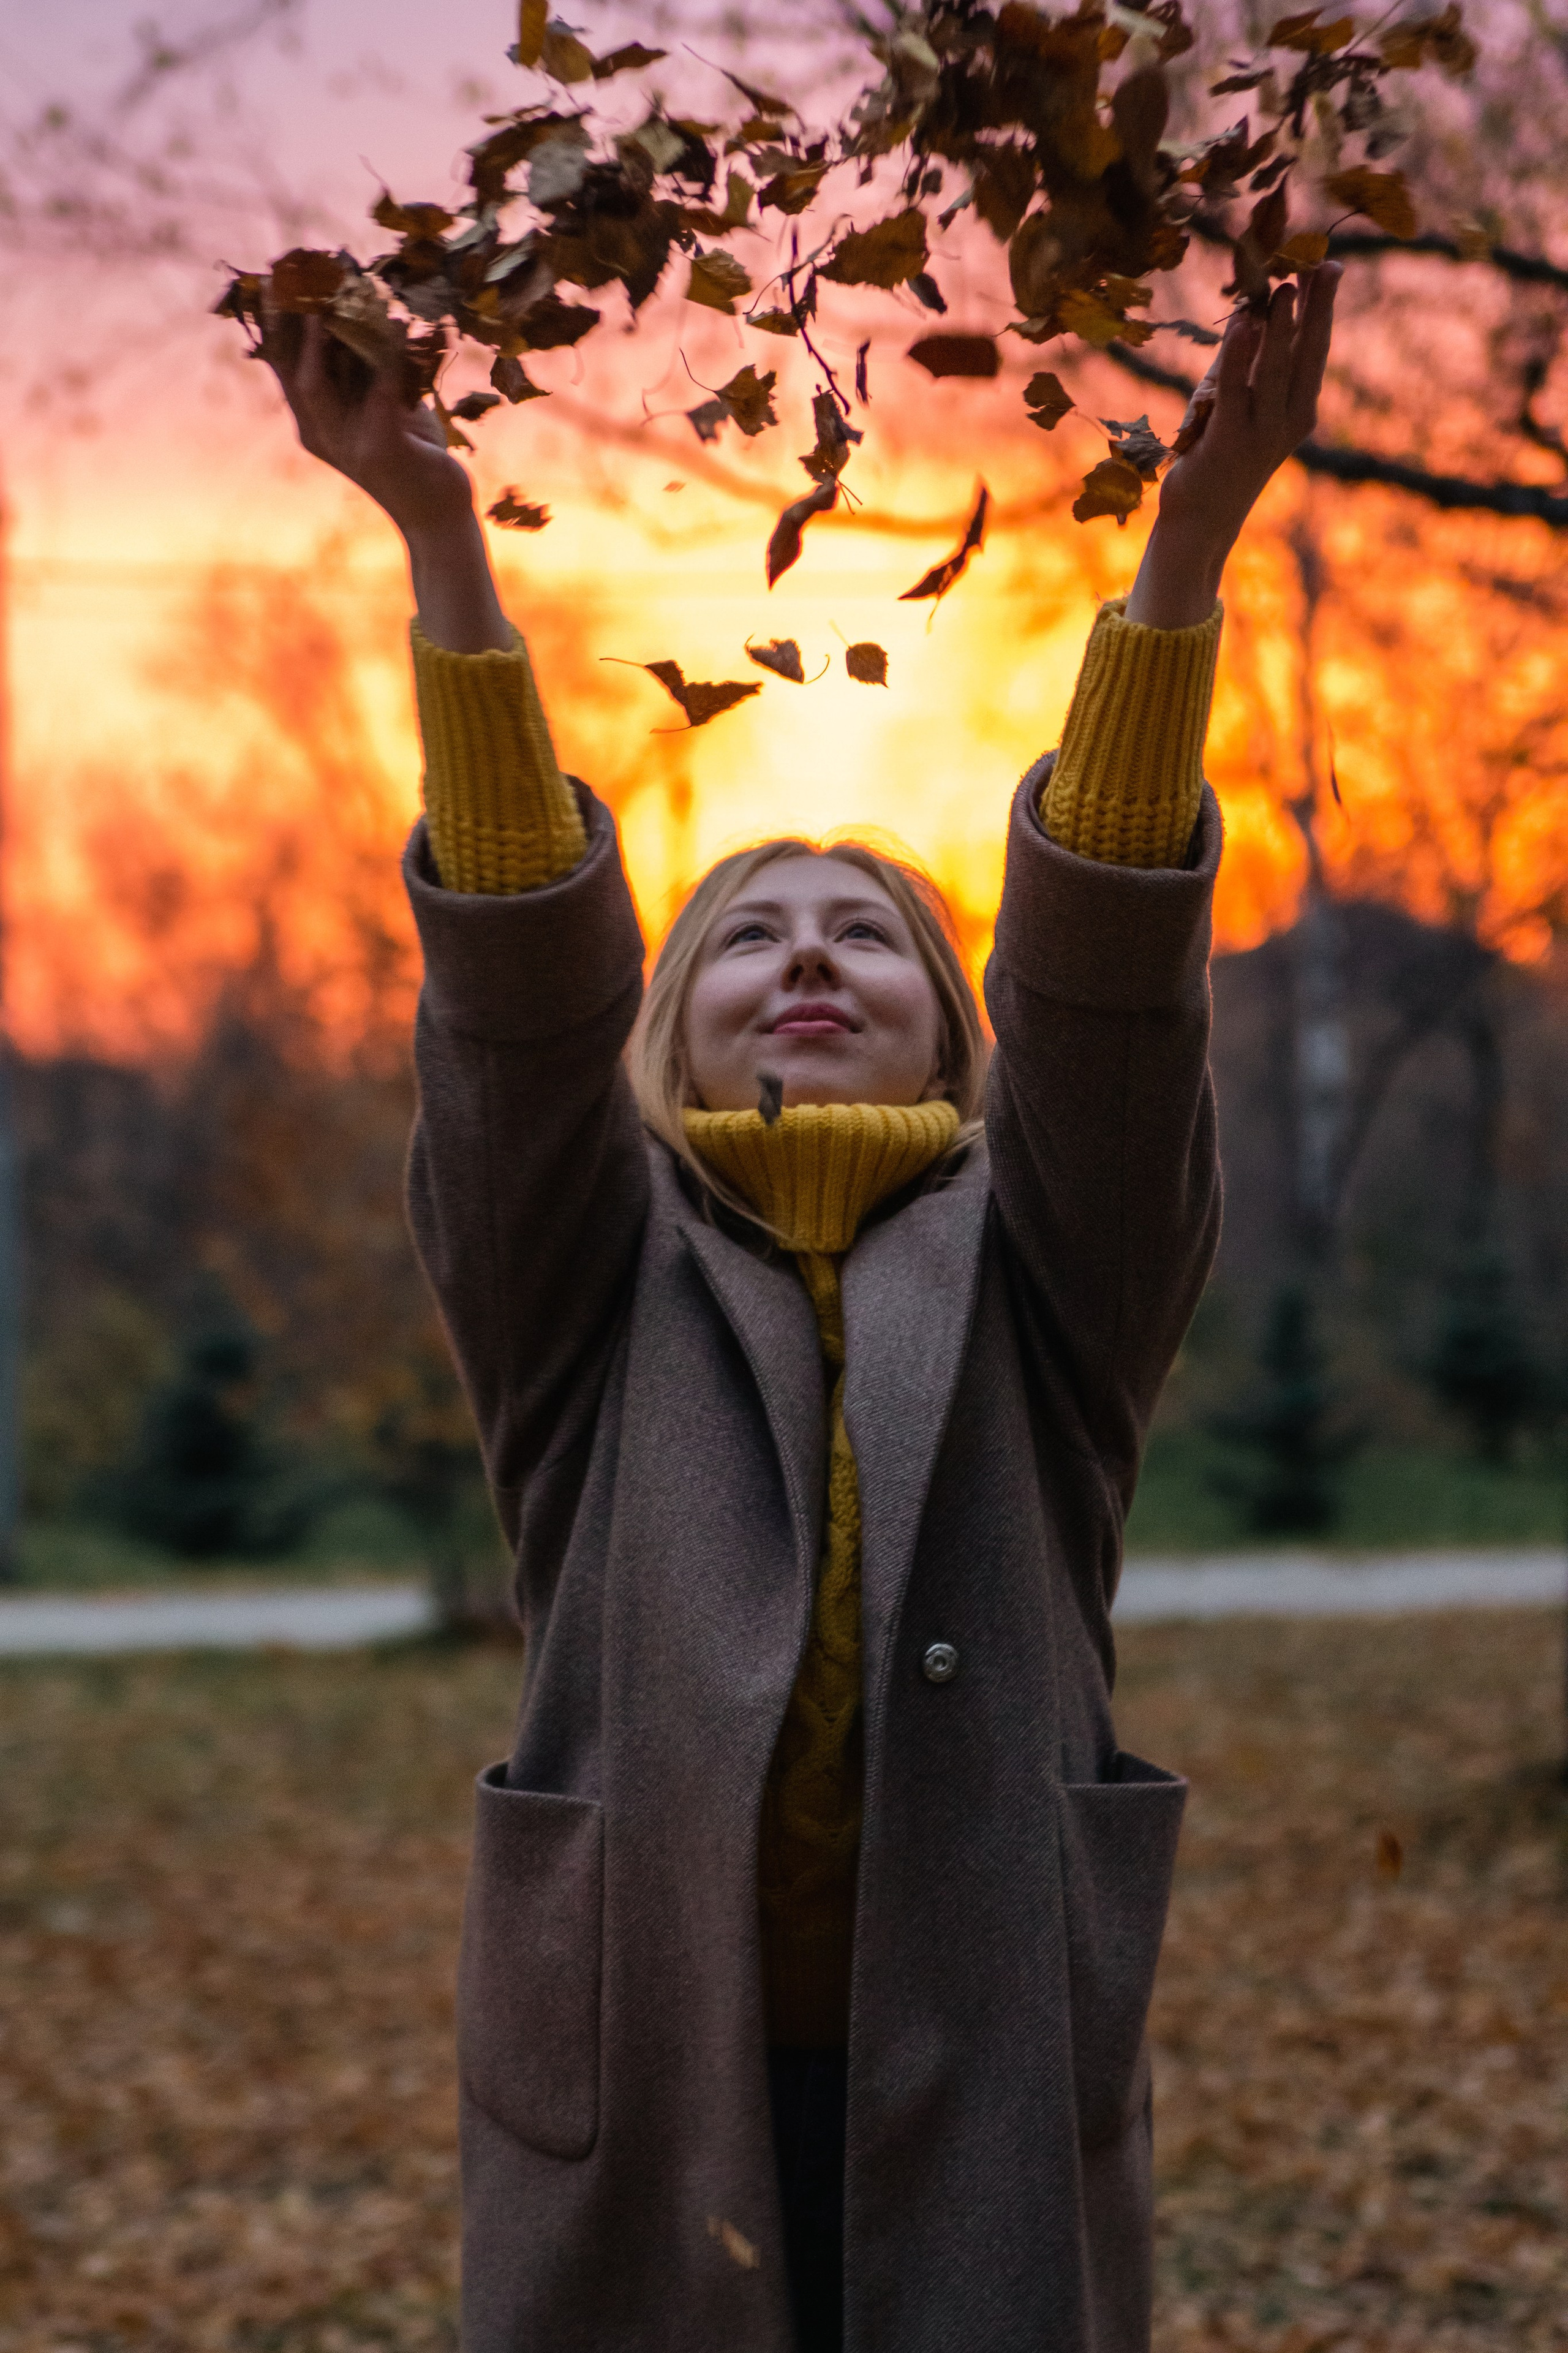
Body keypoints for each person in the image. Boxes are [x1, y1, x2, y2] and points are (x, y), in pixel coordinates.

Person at [268, 263, 1338, 2353]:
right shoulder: (584, 1281)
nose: (813, 952)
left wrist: (1189, 546)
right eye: (751, 933)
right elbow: (509, 1005)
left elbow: (1114, 1014)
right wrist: (438, 539)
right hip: (651, 2065)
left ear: (954, 1017)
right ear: (668, 1025)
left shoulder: (1053, 1280)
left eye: (871, 928)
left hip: (992, 2056)